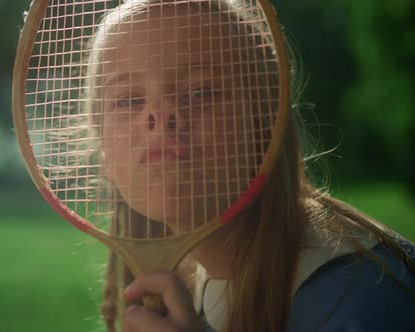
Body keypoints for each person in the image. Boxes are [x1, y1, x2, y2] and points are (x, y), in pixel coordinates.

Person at [79, 0, 415, 331]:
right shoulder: (192, 298)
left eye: (201, 91)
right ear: (103, 152)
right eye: (128, 100)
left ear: (266, 122)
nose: (161, 114)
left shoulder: (360, 301)